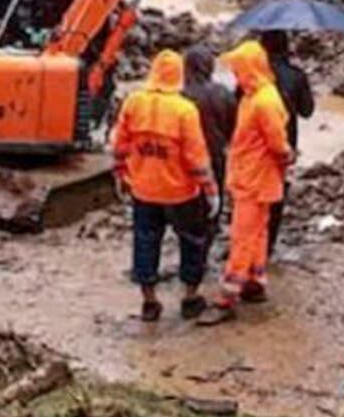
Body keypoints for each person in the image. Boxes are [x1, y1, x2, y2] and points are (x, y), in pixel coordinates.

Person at [114, 50, 217, 322]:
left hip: (144, 190)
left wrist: (122, 175)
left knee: (145, 241)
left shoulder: (134, 103)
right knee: (192, 241)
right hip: (181, 192)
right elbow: (196, 157)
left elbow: (120, 145)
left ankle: (149, 301)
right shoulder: (184, 110)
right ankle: (190, 297)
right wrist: (210, 189)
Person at [203, 40, 292, 323]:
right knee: (257, 232)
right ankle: (254, 282)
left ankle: (228, 296)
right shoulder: (256, 96)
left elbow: (278, 145)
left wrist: (286, 156)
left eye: (238, 69)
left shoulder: (264, 101)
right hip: (253, 176)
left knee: (242, 236)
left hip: (255, 178)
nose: (235, 75)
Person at [258, 31, 315, 255]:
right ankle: (268, 243)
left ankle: (252, 240)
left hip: (254, 144)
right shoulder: (296, 75)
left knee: (253, 193)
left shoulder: (253, 75)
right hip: (285, 144)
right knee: (276, 191)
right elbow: (307, 111)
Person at [182, 45, 237, 200]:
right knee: (215, 197)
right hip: (215, 152)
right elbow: (233, 128)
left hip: (185, 157)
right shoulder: (223, 92)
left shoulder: (179, 95)